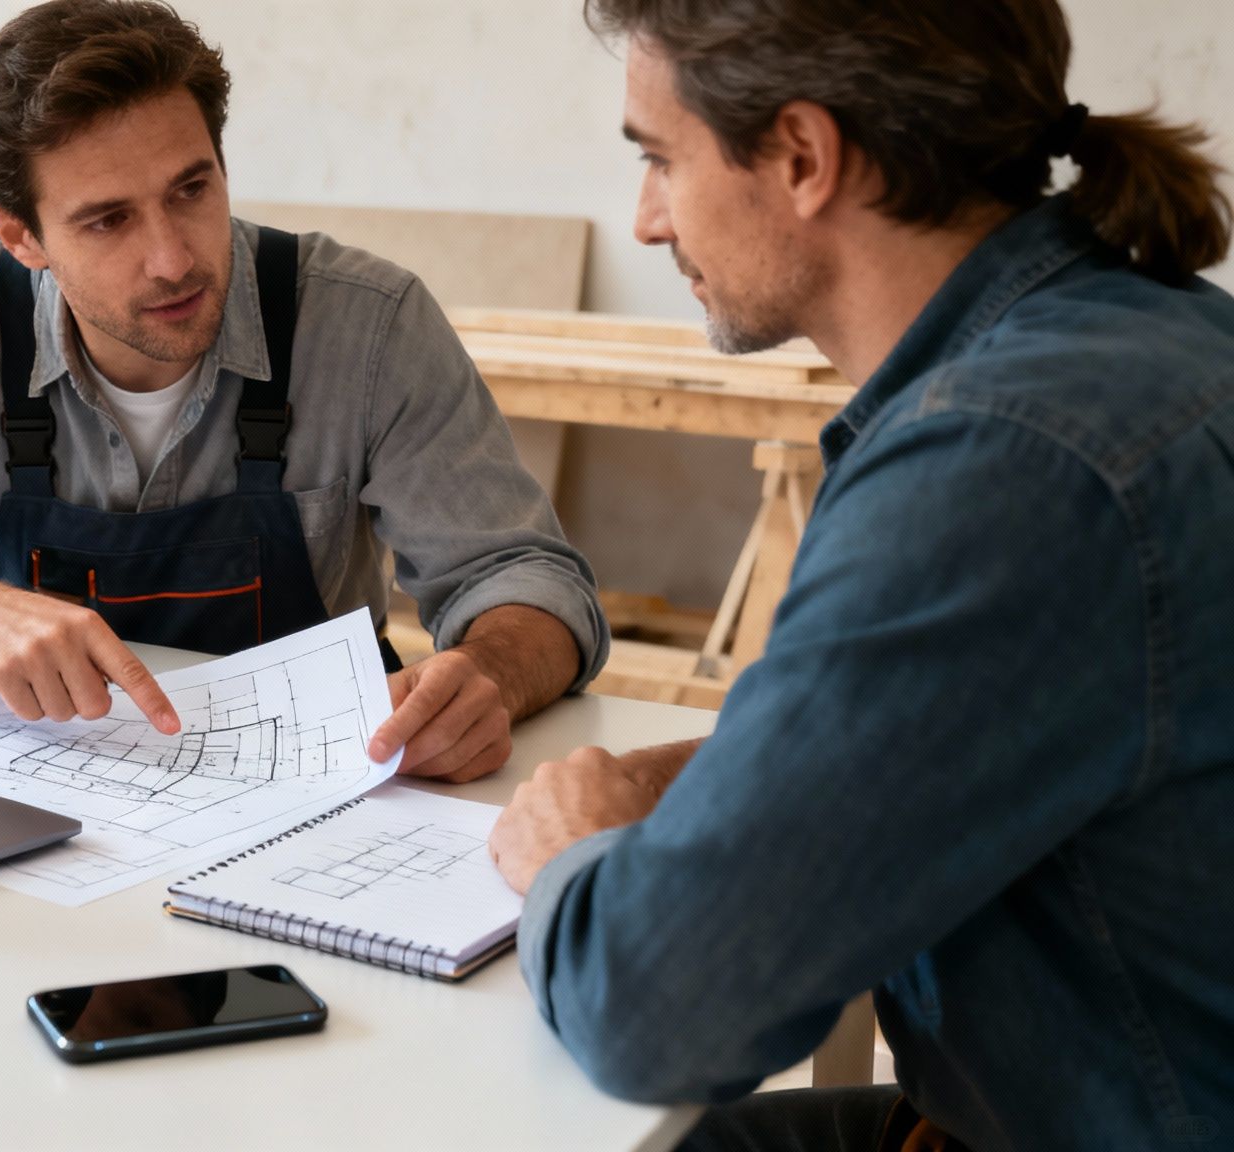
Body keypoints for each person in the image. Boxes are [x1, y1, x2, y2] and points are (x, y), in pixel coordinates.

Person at [487, 1, 1234, 1148]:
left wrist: (570, 854)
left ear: (801, 155)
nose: (645, 220)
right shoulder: (1147, 334)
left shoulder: (998, 465)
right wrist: (720, 782)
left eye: (659, 160)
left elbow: (654, 1007)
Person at [0, 0, 608, 784]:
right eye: (109, 220)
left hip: (322, 795)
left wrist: (490, 675)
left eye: (191, 189)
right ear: (20, 235)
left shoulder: (369, 325)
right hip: (59, 789)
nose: (174, 258)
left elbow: (526, 578)